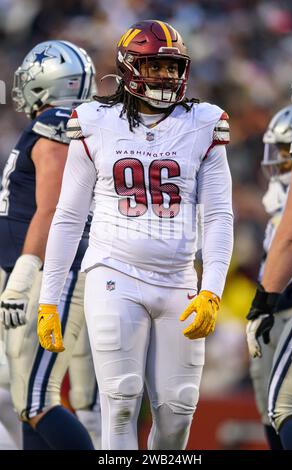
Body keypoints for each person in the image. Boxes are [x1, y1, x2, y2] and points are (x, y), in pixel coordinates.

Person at [38, 20, 233, 450]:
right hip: (114, 272)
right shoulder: (94, 121)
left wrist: (213, 289)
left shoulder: (203, 121)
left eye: (171, 67)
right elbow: (69, 215)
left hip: (180, 279)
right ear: (129, 67)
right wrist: (48, 298)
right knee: (122, 398)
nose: (165, 76)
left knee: (178, 410)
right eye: (155, 66)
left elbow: (219, 215)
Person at [0, 40, 99, 450]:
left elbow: (53, 207)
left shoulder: (58, 122)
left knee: (38, 398)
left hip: (53, 273)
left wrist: (23, 274)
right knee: (28, 398)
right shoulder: (64, 122)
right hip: (47, 270)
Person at [246, 105, 292, 450]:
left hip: (288, 308)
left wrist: (262, 305)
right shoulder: (277, 199)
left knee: (286, 404)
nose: (280, 161)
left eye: (287, 152)